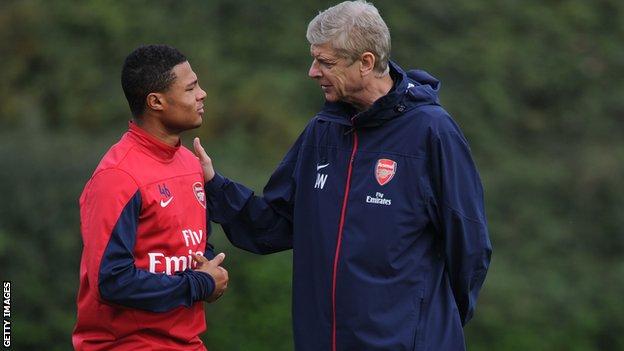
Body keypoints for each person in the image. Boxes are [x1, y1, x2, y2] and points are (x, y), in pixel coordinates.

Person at [195, 1, 492, 350]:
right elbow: (274, 225)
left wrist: (435, 327)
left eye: (326, 62)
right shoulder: (321, 132)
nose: (313, 71)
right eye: (314, 59)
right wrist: (215, 185)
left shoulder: (433, 132)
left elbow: (469, 247)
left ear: (366, 62)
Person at [72, 44, 228, 351]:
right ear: (156, 102)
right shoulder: (118, 177)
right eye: (191, 88)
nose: (202, 94)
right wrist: (200, 284)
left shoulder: (190, 163)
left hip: (187, 343)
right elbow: (111, 281)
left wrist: (209, 266)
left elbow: (194, 246)